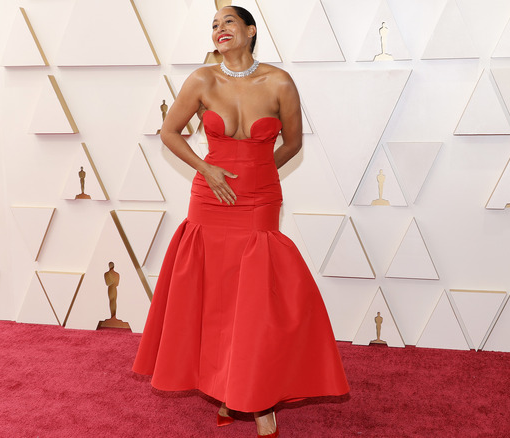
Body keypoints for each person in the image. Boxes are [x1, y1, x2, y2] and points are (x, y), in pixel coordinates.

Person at [133, 6, 349, 437]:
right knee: (213, 296)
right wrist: (207, 169)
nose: (219, 29)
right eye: (214, 25)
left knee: (256, 300)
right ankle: (226, 387)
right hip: (209, 198)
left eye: (228, 22)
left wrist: (258, 173)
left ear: (251, 31)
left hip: (258, 200)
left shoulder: (279, 81)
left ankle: (258, 396)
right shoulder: (201, 80)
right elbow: (169, 133)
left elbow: (293, 142)